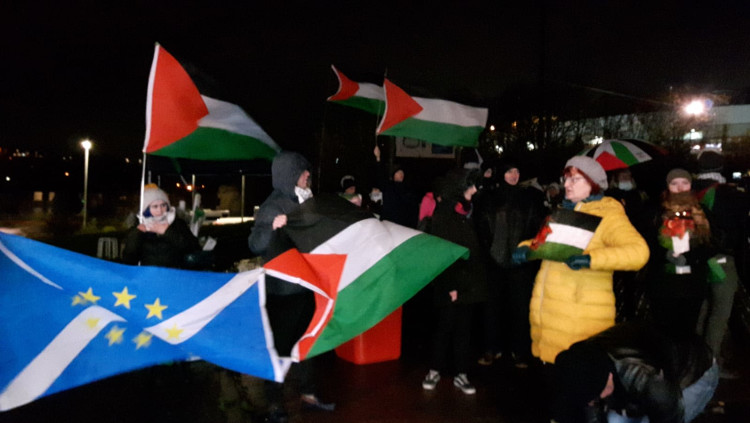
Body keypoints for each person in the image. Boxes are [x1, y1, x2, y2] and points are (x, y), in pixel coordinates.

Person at [512, 156, 649, 364]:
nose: (566, 185)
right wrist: (526, 248)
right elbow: (545, 242)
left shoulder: (608, 214)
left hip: (580, 323)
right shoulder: (564, 211)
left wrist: (591, 259)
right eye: (565, 179)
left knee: (576, 377)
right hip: (550, 320)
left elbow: (638, 252)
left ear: (592, 183)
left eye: (574, 179)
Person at [246, 151, 333, 422]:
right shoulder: (273, 205)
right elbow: (255, 244)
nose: (308, 175)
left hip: (306, 284)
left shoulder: (305, 201)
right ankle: (274, 403)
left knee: (307, 342)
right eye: (303, 171)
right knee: (281, 348)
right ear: (290, 174)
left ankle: (308, 394)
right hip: (282, 290)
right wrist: (272, 227)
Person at [552, 321, 718, 423]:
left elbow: (670, 415)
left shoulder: (642, 376)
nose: (596, 400)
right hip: (655, 363)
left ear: (609, 376)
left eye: (598, 393)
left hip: (694, 371)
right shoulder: (583, 360)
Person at [421, 168, 487, 395]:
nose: (475, 191)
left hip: (468, 284)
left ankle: (461, 373)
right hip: (450, 284)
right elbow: (443, 252)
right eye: (471, 187)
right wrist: (451, 286)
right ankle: (434, 370)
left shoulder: (467, 212)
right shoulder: (445, 214)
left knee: (464, 330)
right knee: (445, 327)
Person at [474, 160, 546, 367]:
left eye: (516, 171)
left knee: (520, 308)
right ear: (502, 174)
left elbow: (538, 226)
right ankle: (491, 348)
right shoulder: (488, 198)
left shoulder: (529, 198)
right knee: (491, 308)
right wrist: (488, 252)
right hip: (493, 261)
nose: (514, 175)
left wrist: (528, 251)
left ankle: (520, 351)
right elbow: (481, 227)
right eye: (509, 171)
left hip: (520, 262)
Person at [691, 151, 748, 375]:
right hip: (722, 259)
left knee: (702, 309)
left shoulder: (689, 192)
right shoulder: (729, 193)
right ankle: (711, 365)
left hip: (697, 259)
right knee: (720, 312)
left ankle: (694, 360)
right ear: (721, 166)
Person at [648, 169, 714, 340]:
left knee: (688, 331)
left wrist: (691, 257)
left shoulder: (702, 212)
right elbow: (647, 242)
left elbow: (711, 244)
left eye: (685, 183)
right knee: (664, 331)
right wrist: (665, 254)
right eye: (674, 183)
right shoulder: (656, 211)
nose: (680, 188)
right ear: (668, 186)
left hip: (692, 283)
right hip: (664, 283)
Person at [121, 184, 200, 268]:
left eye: (163, 205)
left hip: (174, 273)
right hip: (149, 274)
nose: (160, 210)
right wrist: (137, 233)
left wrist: (168, 232)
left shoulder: (177, 223)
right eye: (155, 206)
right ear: (146, 209)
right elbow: (128, 260)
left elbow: (194, 248)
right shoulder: (140, 225)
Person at [373, 144, 419, 228]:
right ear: (394, 175)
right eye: (398, 172)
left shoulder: (408, 189)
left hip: (403, 226)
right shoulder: (389, 186)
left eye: (402, 173)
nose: (401, 175)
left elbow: (413, 209)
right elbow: (381, 175)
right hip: (388, 224)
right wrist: (378, 158)